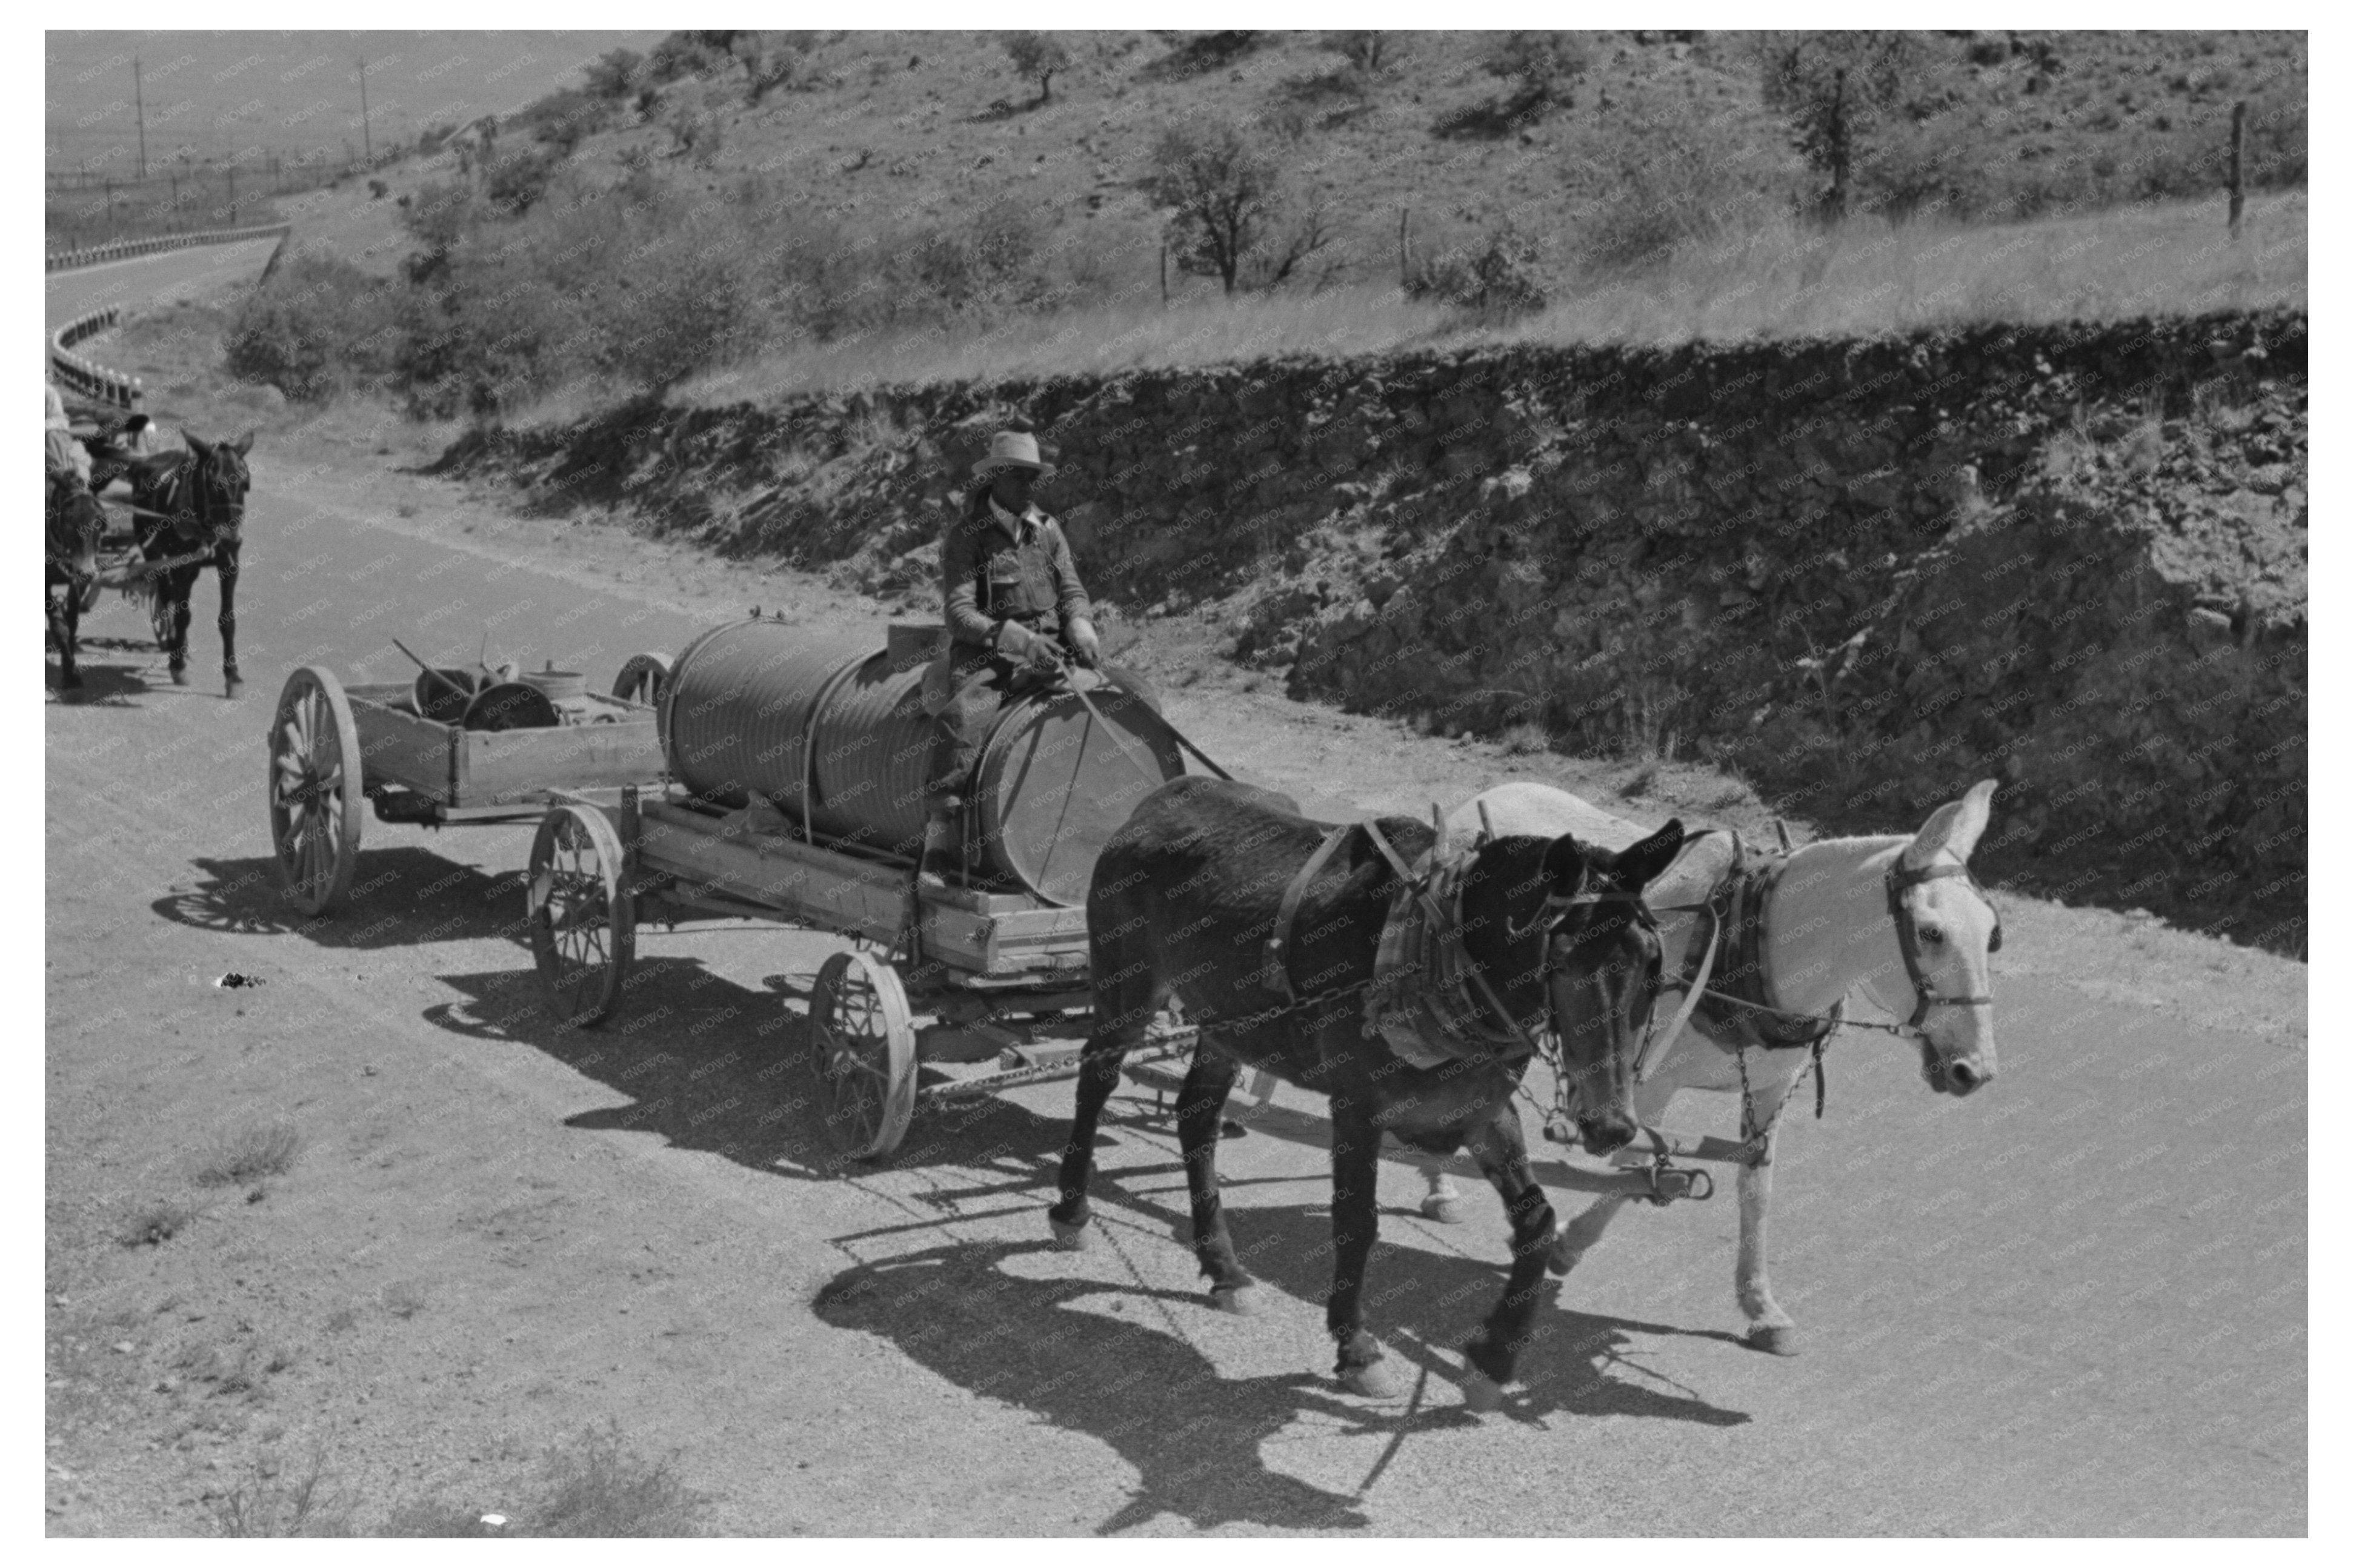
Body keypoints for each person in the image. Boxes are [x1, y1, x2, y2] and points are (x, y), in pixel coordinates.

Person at [918, 428, 1100, 889]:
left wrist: (1079, 622)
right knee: (961, 718)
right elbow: (959, 614)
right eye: (1019, 477)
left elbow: (1072, 589)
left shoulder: (1048, 529)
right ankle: (940, 841)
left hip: (1055, 652)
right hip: (992, 658)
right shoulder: (968, 537)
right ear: (996, 477)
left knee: (1136, 696)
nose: (1028, 487)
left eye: (1032, 477)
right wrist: (1013, 638)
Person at [44, 377, 92, 487]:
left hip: (51, 435)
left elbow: (58, 419)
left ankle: (70, 479)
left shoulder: (48, 391)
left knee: (54, 436)